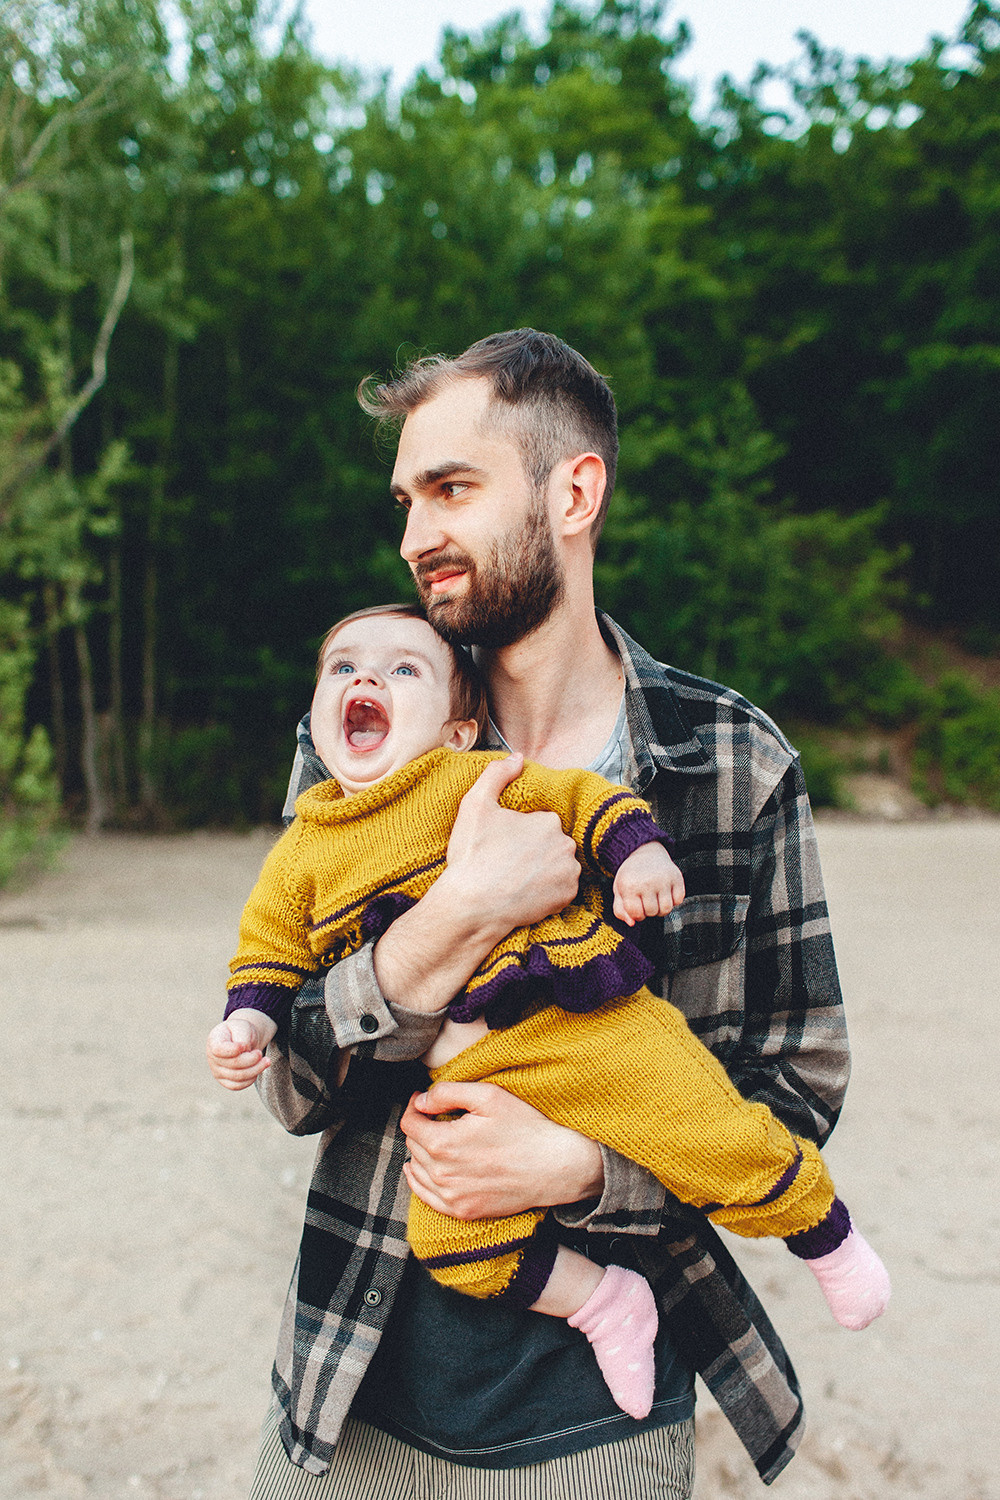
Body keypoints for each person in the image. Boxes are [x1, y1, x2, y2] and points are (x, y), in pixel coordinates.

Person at [234, 330, 854, 1499]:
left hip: (598, 1423)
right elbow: (290, 1083)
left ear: (574, 491)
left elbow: (796, 1085)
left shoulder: (731, 763)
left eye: (453, 489)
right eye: (408, 499)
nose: (418, 534)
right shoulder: (356, 743)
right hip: (347, 1384)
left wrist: (581, 1166)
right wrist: (453, 920)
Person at [207, 604, 887, 1420]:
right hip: (469, 1081)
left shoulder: (471, 779)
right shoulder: (302, 851)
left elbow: (576, 797)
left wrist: (636, 850)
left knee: (704, 1126)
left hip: (581, 1027)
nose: (365, 680)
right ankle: (604, 1302)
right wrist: (247, 1023)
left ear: (461, 731)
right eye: (342, 668)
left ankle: (822, 1229)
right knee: (454, 1241)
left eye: (401, 671)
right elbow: (268, 958)